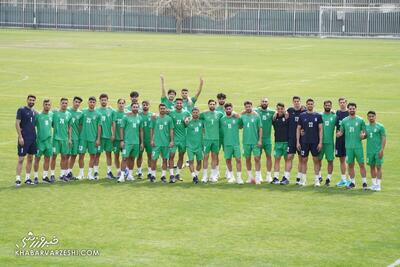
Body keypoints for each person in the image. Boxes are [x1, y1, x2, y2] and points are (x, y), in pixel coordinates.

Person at [336, 102, 367, 189]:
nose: (352, 110)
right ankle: (352, 182)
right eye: (350, 109)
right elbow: (341, 132)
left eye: (353, 108)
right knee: (350, 165)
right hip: (348, 147)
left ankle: (364, 182)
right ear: (348, 109)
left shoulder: (360, 120)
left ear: (356, 109)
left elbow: (365, 133)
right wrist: (339, 134)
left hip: (358, 147)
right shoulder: (344, 121)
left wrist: (363, 136)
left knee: (361, 164)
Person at [296, 98, 323, 186]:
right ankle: (303, 180)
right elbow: (298, 129)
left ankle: (317, 180)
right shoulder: (302, 115)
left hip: (315, 142)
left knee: (316, 160)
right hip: (304, 142)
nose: (310, 105)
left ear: (313, 105)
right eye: (308, 104)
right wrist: (297, 142)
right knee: (304, 160)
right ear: (306, 105)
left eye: (311, 104)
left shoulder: (318, 116)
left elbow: (320, 129)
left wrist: (320, 142)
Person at [118, 102, 143, 182]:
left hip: (136, 142)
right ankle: (122, 176)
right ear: (131, 108)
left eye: (136, 107)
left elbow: (141, 131)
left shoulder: (140, 118)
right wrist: (122, 140)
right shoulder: (126, 117)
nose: (135, 108)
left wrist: (141, 142)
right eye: (134, 107)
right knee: (124, 158)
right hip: (127, 142)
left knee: (132, 158)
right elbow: (121, 129)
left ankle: (130, 175)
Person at [15, 95, 37, 187]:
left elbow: (43, 114)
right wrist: (20, 137)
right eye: (30, 100)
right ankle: (18, 179)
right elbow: (17, 123)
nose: (31, 101)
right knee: (21, 159)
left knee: (30, 158)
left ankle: (27, 178)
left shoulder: (34, 112)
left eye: (33, 100)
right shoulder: (21, 110)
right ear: (27, 100)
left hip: (33, 138)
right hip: (24, 138)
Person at [78, 96, 101, 180]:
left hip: (93, 139)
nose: (92, 103)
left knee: (93, 156)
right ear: (88, 103)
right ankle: (81, 174)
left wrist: (98, 139)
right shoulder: (83, 112)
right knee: (81, 156)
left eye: (93, 102)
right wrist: (81, 134)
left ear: (95, 103)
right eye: (90, 102)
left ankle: (90, 174)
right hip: (83, 139)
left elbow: (99, 127)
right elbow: (80, 124)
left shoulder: (98, 114)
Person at [200, 99, 223, 183]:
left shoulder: (219, 114)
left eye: (213, 104)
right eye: (210, 104)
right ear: (208, 105)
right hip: (206, 139)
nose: (212, 105)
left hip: (216, 139)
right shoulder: (204, 114)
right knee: (205, 157)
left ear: (215, 105)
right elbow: (195, 116)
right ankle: (204, 176)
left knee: (214, 157)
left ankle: (213, 176)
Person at [150, 103, 174, 183]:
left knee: (165, 159)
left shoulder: (169, 119)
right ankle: (153, 175)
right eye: (161, 108)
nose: (162, 110)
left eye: (164, 108)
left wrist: (171, 141)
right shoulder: (155, 118)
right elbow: (152, 129)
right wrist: (152, 140)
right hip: (156, 143)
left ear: (165, 109)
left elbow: (171, 130)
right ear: (159, 109)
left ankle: (163, 176)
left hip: (165, 143)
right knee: (154, 159)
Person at [220, 103, 243, 184]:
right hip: (226, 143)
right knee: (228, 160)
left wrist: (238, 116)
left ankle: (239, 178)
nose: (228, 110)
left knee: (238, 160)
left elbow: (241, 126)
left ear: (232, 109)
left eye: (230, 109)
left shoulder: (236, 118)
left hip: (236, 143)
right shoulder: (222, 119)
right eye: (227, 109)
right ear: (225, 110)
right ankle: (231, 176)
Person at [168, 98, 191, 182]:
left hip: (183, 139)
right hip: (173, 139)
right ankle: (171, 175)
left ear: (182, 104)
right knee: (171, 156)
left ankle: (177, 174)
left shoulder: (186, 113)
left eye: (180, 103)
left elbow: (188, 125)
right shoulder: (171, 113)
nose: (179, 104)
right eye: (177, 103)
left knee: (181, 156)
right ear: (175, 104)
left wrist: (186, 122)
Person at [94, 93, 116, 179]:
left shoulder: (111, 111)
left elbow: (113, 123)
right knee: (97, 154)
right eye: (102, 100)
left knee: (108, 154)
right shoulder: (96, 110)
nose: (103, 101)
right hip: (99, 137)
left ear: (107, 101)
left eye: (105, 100)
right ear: (99, 101)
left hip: (108, 137)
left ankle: (109, 172)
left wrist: (113, 134)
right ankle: (96, 172)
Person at [50, 97, 72, 182]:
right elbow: (51, 123)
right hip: (56, 139)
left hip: (65, 139)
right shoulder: (55, 113)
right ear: (60, 103)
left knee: (64, 157)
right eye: (63, 103)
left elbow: (69, 127)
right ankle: (52, 175)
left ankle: (62, 175)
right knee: (54, 156)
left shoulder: (68, 114)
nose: (64, 104)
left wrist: (69, 139)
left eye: (66, 103)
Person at [240, 101, 263, 184]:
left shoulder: (256, 116)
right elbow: (239, 126)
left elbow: (260, 128)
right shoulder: (242, 117)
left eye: (249, 106)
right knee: (247, 159)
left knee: (257, 158)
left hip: (255, 142)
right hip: (246, 142)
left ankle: (257, 178)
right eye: (246, 107)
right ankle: (250, 177)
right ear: (245, 107)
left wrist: (260, 140)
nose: (248, 108)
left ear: (251, 106)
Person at [286, 96, 306, 185]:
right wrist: (275, 113)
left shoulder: (304, 111)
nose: (297, 103)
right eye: (295, 101)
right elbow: (280, 111)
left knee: (301, 158)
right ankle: (286, 177)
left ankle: (299, 177)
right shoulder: (290, 110)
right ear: (293, 102)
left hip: (301, 140)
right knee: (289, 157)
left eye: (298, 101)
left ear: (300, 102)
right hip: (291, 138)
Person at [33, 99, 53, 184]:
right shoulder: (38, 116)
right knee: (37, 159)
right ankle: (35, 177)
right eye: (46, 104)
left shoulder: (52, 114)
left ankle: (45, 176)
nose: (47, 106)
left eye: (49, 104)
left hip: (49, 142)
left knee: (47, 159)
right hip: (40, 141)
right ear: (43, 105)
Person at [365, 111, 386, 191]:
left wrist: (382, 150)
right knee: (372, 167)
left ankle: (378, 185)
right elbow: (365, 136)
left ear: (375, 117)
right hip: (369, 151)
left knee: (379, 167)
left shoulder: (380, 126)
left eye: (372, 116)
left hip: (378, 150)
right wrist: (362, 136)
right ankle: (374, 184)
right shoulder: (366, 126)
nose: (371, 118)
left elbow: (384, 138)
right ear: (367, 117)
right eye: (369, 116)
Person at [256, 97, 275, 183]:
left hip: (267, 139)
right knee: (257, 157)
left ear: (268, 103)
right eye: (263, 101)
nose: (264, 103)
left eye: (266, 101)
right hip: (257, 139)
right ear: (260, 102)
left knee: (269, 156)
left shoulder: (272, 112)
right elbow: (246, 110)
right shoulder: (256, 111)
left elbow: (280, 112)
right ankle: (259, 175)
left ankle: (268, 175)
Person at [318, 100, 337, 186]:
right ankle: (319, 176)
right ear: (324, 106)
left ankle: (328, 178)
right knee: (318, 160)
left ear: (331, 106)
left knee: (330, 160)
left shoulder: (334, 116)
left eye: (329, 105)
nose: (328, 106)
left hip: (330, 143)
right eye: (326, 105)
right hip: (320, 142)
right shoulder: (320, 115)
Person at [271, 103, 290, 185]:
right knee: (277, 159)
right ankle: (276, 177)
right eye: (278, 109)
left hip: (286, 142)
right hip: (277, 142)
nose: (280, 110)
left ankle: (286, 178)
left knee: (287, 160)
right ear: (277, 109)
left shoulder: (287, 117)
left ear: (284, 109)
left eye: (282, 109)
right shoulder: (274, 118)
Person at [184, 107, 204, 184]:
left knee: (199, 162)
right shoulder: (188, 121)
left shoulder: (201, 122)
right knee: (191, 161)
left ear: (198, 113)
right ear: (192, 113)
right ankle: (194, 176)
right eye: (194, 112)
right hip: (190, 145)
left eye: (196, 112)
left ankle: (196, 175)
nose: (195, 114)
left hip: (199, 145)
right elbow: (184, 122)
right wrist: (186, 120)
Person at [67, 96, 83, 179]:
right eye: (76, 102)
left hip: (76, 137)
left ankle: (69, 172)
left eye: (79, 102)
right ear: (73, 102)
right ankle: (64, 173)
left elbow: (80, 126)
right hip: (67, 137)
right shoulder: (67, 110)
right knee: (66, 155)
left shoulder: (80, 113)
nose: (77, 103)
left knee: (74, 155)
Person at [335, 97, 350, 187]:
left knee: (350, 160)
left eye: (343, 102)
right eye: (340, 102)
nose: (342, 104)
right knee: (342, 159)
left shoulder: (350, 113)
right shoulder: (337, 113)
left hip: (348, 139)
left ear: (346, 103)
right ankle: (343, 179)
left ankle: (350, 180)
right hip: (339, 140)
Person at [137, 100, 153, 179]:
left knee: (150, 156)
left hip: (149, 140)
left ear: (149, 106)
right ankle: (139, 171)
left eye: (147, 105)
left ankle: (150, 172)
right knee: (139, 156)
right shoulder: (139, 115)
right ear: (141, 106)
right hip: (140, 140)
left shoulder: (152, 116)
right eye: (143, 105)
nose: (145, 106)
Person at [113, 98, 127, 178]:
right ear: (117, 104)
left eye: (122, 103)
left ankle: (125, 170)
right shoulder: (115, 113)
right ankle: (118, 171)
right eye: (120, 103)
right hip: (116, 139)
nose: (121, 105)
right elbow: (113, 124)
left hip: (125, 139)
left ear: (125, 104)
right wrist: (113, 135)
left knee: (125, 156)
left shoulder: (127, 114)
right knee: (116, 155)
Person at [216, 93, 227, 178]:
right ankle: (216, 171)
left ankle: (228, 171)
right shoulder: (215, 109)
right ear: (218, 100)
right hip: (217, 135)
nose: (221, 100)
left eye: (223, 99)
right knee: (216, 153)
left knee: (227, 153)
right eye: (220, 99)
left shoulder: (228, 109)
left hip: (227, 135)